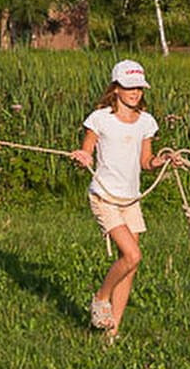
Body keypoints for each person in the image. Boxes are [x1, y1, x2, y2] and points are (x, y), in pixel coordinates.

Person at [69, 59, 172, 341]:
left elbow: (146, 162)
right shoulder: (100, 118)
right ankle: (101, 299)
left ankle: (112, 332)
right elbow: (86, 150)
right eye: (128, 87)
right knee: (132, 255)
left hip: (131, 200)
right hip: (104, 197)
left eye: (138, 87)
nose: (134, 93)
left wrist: (163, 161)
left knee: (131, 266)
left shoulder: (146, 122)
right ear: (116, 89)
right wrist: (84, 156)